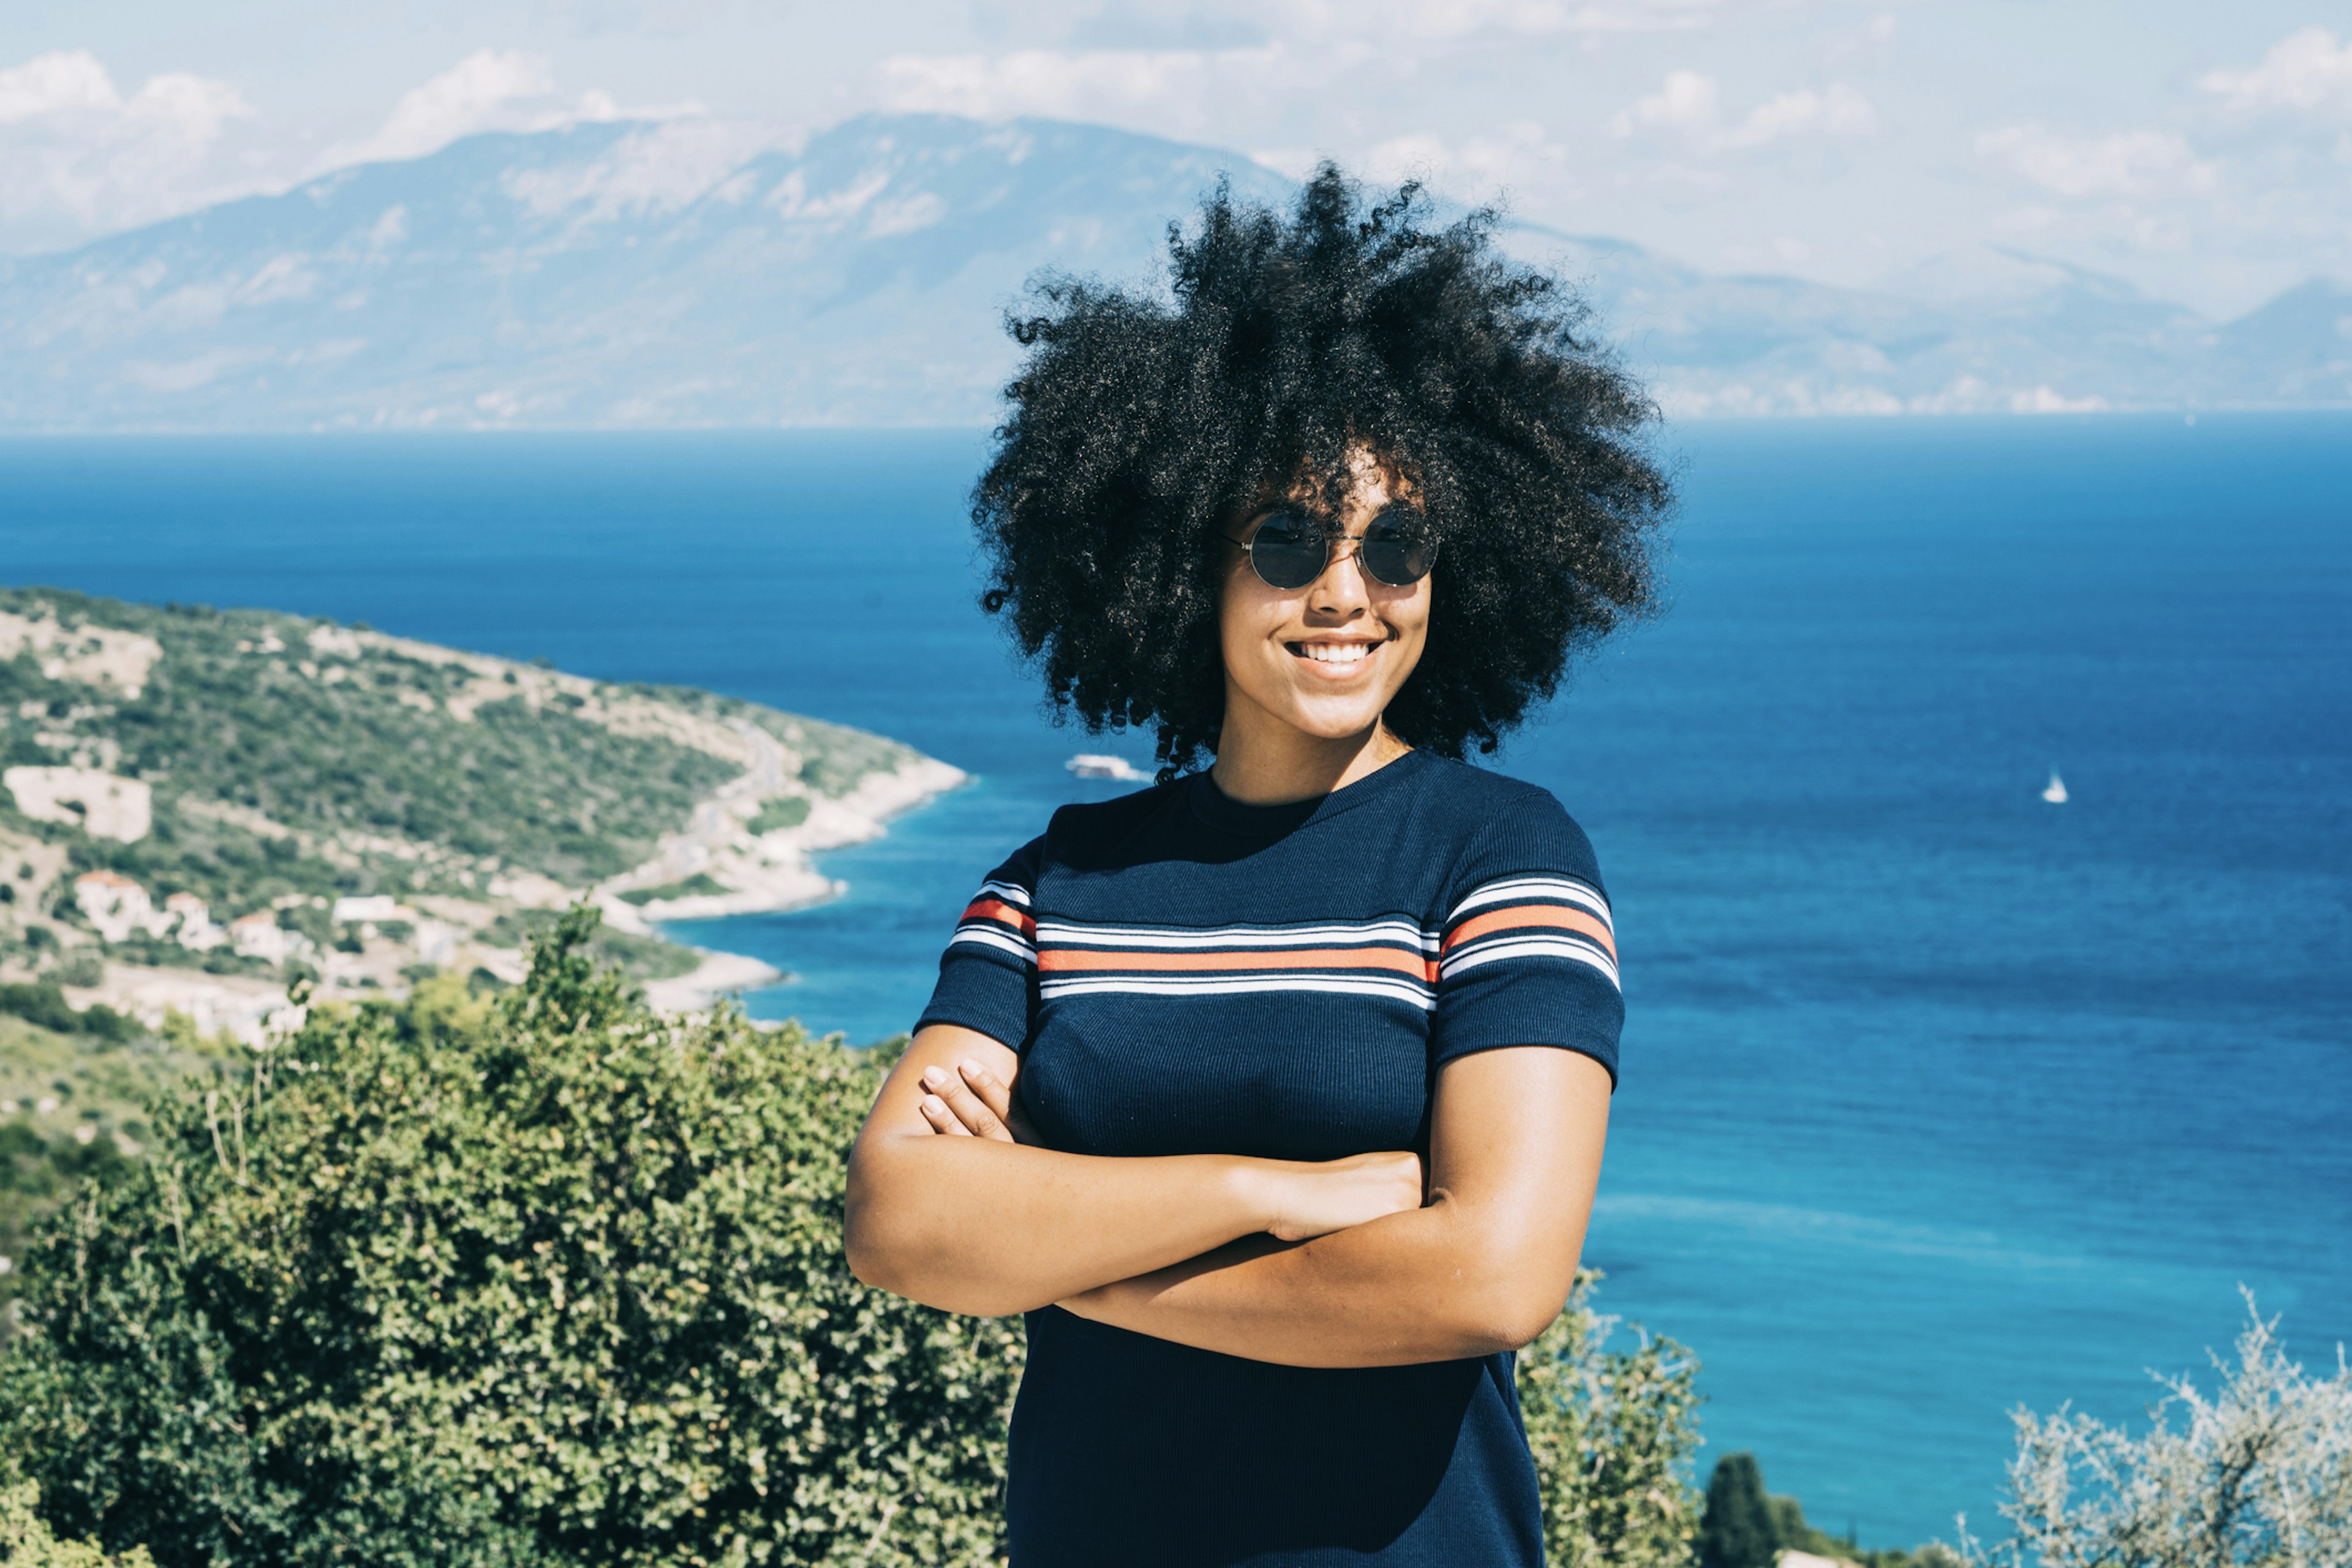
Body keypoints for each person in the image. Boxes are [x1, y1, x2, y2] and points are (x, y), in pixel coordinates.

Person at [845, 167, 1672, 1567]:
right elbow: (900, 1215)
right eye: (1290, 538)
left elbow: (1489, 1274)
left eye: (1396, 543)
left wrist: (1066, 1252)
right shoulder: (1061, 881)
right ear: (1185, 566)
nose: (1346, 589)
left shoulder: (1501, 856)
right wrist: (1265, 1190)